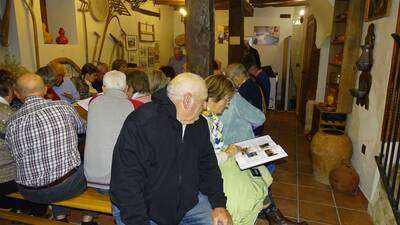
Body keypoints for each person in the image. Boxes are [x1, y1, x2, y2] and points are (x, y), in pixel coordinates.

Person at [110, 73, 232, 225]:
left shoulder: (199, 125)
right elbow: (126, 182)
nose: (206, 106)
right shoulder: (142, 123)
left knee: (220, 222)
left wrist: (218, 204)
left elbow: (208, 166)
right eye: (203, 101)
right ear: (187, 100)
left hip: (185, 206)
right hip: (141, 210)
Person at [5, 74, 96, 224]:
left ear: (17, 94)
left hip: (29, 192)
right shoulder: (62, 107)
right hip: (67, 186)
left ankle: (60, 216)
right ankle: (88, 217)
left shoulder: (11, 122)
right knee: (90, 157)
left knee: (56, 164)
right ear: (46, 89)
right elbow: (85, 129)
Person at [201, 75, 272, 225]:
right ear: (215, 98)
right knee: (247, 187)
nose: (227, 105)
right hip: (214, 166)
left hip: (220, 156)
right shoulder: (202, 122)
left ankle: (271, 214)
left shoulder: (209, 117)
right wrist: (226, 153)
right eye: (226, 100)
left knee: (258, 171)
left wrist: (228, 149)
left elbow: (213, 146)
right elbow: (205, 161)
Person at [84, 71, 133, 193]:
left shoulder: (93, 103)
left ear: (103, 88)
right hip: (120, 181)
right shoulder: (130, 106)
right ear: (126, 88)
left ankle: (91, 212)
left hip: (92, 179)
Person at [225, 63, 265, 136]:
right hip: (257, 124)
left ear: (236, 77)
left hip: (252, 128)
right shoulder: (251, 82)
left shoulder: (245, 89)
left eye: (231, 79)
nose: (232, 83)